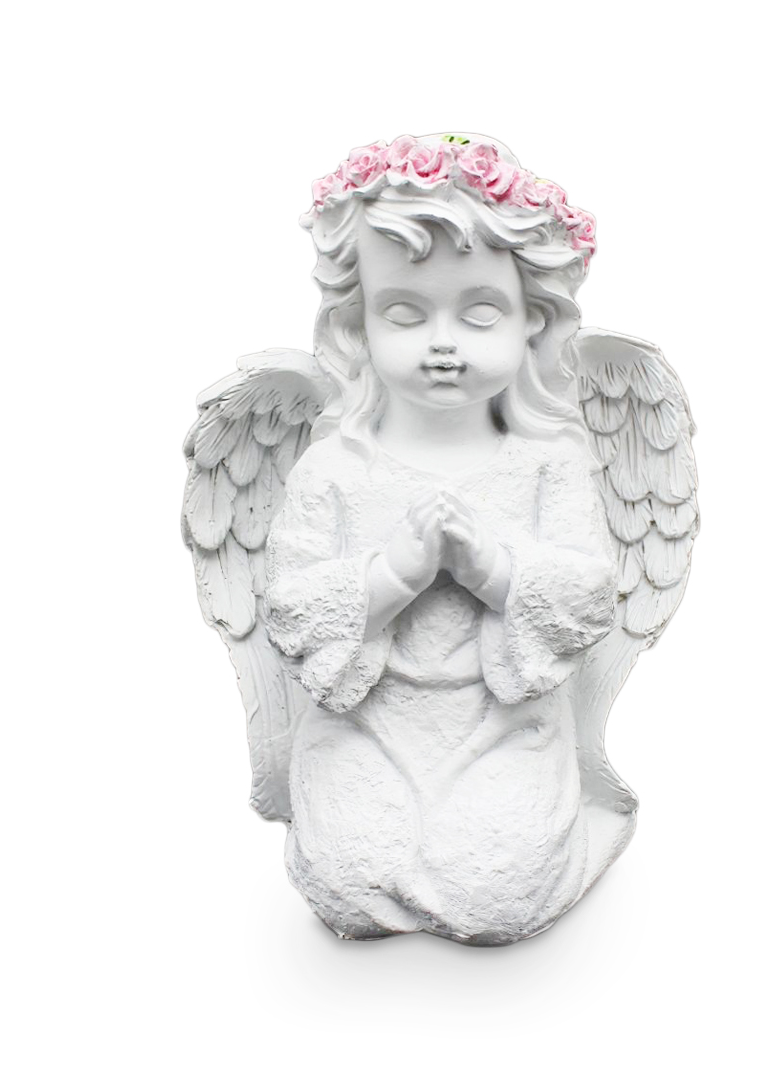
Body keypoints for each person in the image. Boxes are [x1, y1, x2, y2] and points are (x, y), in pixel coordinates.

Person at [262, 135, 619, 943]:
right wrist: (392, 575)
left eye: (480, 312)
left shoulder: (549, 463)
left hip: (506, 731)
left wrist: (494, 570)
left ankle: (568, 831)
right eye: (405, 313)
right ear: (357, 324)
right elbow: (291, 608)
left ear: (534, 321)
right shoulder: (332, 469)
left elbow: (588, 595)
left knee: (499, 889)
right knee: (347, 880)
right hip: (366, 730)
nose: (443, 341)